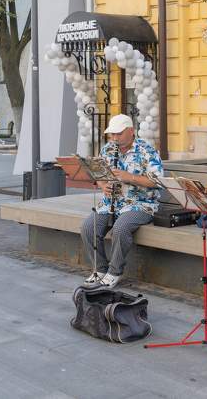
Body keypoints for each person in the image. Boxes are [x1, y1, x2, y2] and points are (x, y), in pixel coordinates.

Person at [80, 114, 163, 289]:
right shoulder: (108, 149)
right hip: (111, 202)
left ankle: (114, 272)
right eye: (112, 134)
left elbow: (157, 182)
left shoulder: (147, 150)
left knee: (121, 228)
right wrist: (104, 186)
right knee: (88, 227)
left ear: (131, 131)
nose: (114, 138)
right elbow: (99, 174)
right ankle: (100, 269)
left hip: (141, 204)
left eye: (118, 134)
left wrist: (129, 177)